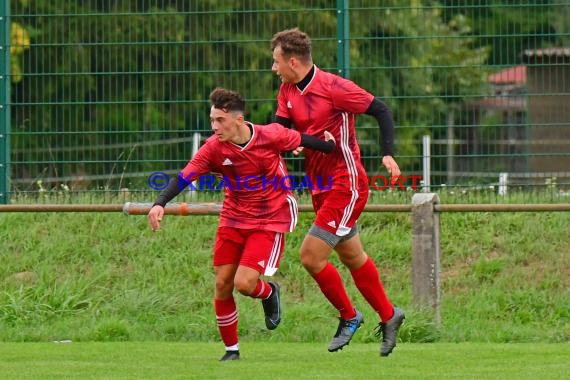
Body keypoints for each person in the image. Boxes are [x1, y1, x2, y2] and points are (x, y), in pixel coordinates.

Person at [148, 87, 336, 362]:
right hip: (233, 217)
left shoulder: (269, 134)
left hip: (270, 216)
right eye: (212, 120)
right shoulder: (213, 147)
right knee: (223, 283)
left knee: (245, 283)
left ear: (238, 119)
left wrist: (329, 146)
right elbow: (185, 175)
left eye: (219, 121)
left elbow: (303, 139)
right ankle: (232, 351)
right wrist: (159, 203)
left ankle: (269, 292)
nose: (214, 127)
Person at [270, 28, 405, 357]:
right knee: (352, 256)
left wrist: (387, 152)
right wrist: (292, 143)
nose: (273, 68)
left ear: (292, 61)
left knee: (310, 256)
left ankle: (350, 316)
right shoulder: (287, 89)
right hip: (321, 187)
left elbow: (381, 110)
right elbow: (281, 130)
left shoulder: (334, 87)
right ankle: (389, 316)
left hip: (347, 184)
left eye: (275, 62)